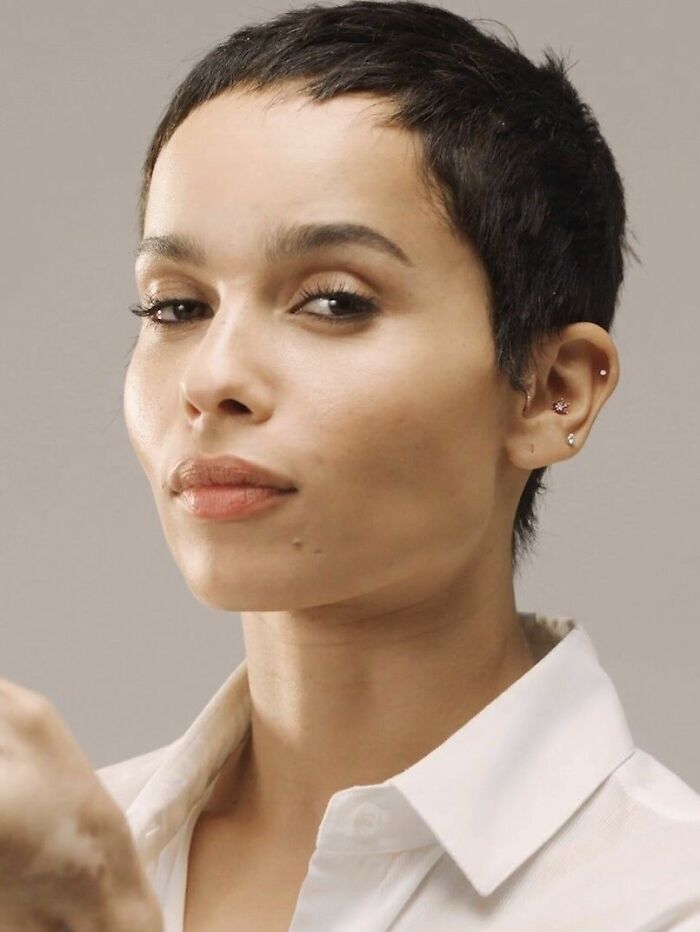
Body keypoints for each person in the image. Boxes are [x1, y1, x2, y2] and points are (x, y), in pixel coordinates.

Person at [21, 0, 697, 930]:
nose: (213, 378)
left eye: (334, 302)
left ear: (552, 391)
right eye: (176, 307)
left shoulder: (665, 896)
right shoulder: (43, 860)